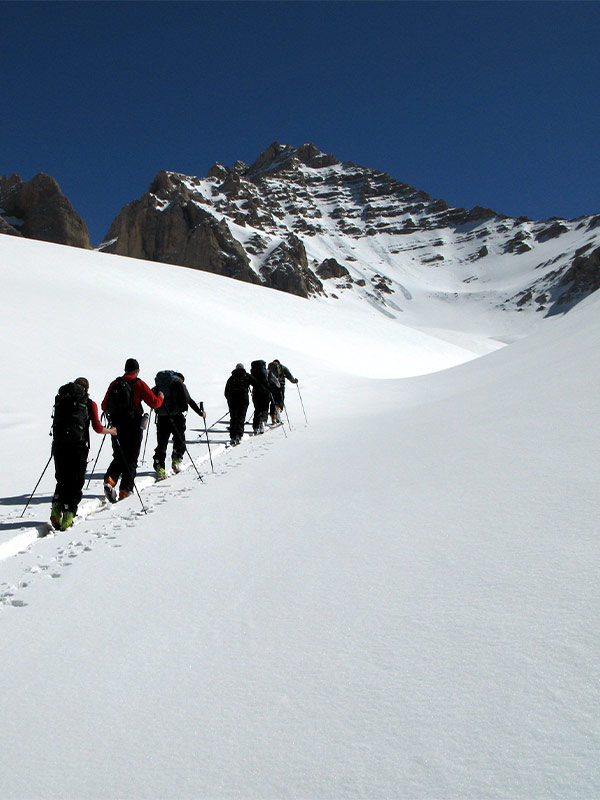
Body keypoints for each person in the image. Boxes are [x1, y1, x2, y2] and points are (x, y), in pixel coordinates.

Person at [50, 377, 117, 531]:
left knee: (62, 478)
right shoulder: (88, 402)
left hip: (59, 445)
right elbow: (97, 428)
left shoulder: (61, 400)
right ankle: (68, 515)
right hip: (78, 446)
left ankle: (56, 508)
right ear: (86, 389)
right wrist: (112, 431)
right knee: (76, 481)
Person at [102, 358, 163, 502]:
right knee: (131, 458)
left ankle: (110, 480)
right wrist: (161, 397)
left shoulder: (115, 383)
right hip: (133, 425)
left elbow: (104, 405)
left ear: (125, 369)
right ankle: (125, 490)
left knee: (119, 456)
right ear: (137, 371)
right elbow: (154, 403)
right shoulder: (138, 383)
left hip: (115, 426)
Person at [153, 371, 206, 479]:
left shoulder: (160, 384)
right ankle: (176, 460)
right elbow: (189, 400)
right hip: (176, 416)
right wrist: (200, 413)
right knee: (179, 439)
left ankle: (159, 466)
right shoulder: (178, 383)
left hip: (162, 416)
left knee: (162, 442)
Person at [224, 363, 256, 445]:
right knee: (241, 417)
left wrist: (229, 400)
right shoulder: (246, 376)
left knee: (233, 418)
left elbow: (226, 391)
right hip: (243, 400)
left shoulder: (231, 378)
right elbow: (256, 383)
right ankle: (238, 435)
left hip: (233, 400)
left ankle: (232, 436)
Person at [250, 360, 280, 434]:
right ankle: (263, 423)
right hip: (265, 393)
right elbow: (276, 382)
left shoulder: (253, 372)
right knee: (264, 409)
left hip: (256, 393)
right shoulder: (267, 372)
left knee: (257, 409)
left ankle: (255, 427)